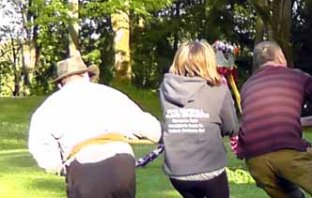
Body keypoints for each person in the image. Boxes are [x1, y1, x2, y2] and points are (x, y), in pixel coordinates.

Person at [237, 41, 312, 198]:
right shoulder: (297, 77)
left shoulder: (247, 87)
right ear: (281, 57)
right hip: (288, 151)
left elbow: (274, 125)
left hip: (255, 160)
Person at [28, 57, 162, 197]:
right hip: (122, 165)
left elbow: (41, 148)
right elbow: (142, 124)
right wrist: (165, 136)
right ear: (86, 76)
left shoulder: (48, 108)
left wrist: (60, 168)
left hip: (83, 166)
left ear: (60, 84)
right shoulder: (111, 94)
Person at [159, 41, 239, 198]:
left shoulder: (165, 88)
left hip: (177, 172)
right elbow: (231, 128)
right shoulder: (218, 89)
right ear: (209, 61)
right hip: (209, 169)